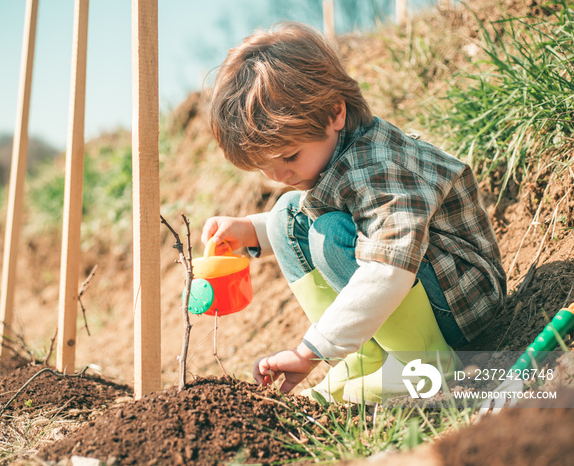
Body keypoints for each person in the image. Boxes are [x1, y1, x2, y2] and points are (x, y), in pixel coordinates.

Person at [201, 22, 506, 403]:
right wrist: (252, 230)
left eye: (289, 157)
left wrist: (309, 351)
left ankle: (425, 363)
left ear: (335, 113)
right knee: (286, 214)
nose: (278, 175)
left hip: (463, 298)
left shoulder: (378, 168)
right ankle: (367, 354)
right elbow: (312, 213)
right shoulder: (338, 155)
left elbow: (389, 267)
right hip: (430, 285)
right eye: (264, 168)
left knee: (330, 234)